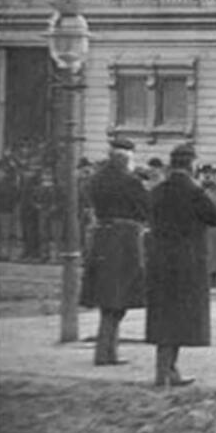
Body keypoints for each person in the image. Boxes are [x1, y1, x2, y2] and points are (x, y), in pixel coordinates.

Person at [145, 143, 216, 387]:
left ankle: (166, 370)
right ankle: (166, 371)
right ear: (191, 165)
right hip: (188, 262)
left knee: (163, 315)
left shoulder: (158, 191)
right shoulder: (194, 191)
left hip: (160, 260)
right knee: (180, 318)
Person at [80, 138, 149, 366]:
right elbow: (145, 209)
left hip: (100, 238)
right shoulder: (132, 182)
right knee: (119, 297)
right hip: (125, 239)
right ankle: (107, 352)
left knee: (106, 297)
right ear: (127, 158)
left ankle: (106, 351)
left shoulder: (95, 180)